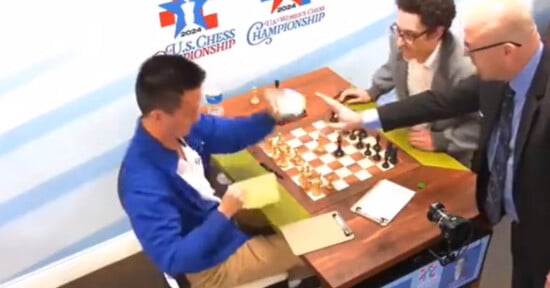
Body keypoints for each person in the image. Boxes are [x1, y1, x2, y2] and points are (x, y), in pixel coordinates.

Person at [318, 0, 550, 287]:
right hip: (507, 211)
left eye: (473, 48)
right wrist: (363, 119)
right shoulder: (498, 72)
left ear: (507, 51)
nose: (465, 53)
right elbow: (441, 101)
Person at [117, 54, 311, 288]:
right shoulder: (142, 185)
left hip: (216, 221)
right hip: (210, 267)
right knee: (317, 245)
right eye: (190, 110)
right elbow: (174, 259)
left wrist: (269, 116)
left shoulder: (183, 129)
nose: (198, 116)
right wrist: (224, 213)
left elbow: (231, 134)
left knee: (296, 207)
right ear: (158, 116)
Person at [337, 0, 481, 167]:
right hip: (406, 137)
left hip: (448, 155)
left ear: (437, 33)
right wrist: (374, 90)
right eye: (398, 30)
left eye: (409, 34)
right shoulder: (401, 39)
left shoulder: (466, 69)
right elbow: (394, 66)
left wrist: (443, 140)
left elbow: (483, 126)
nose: (399, 42)